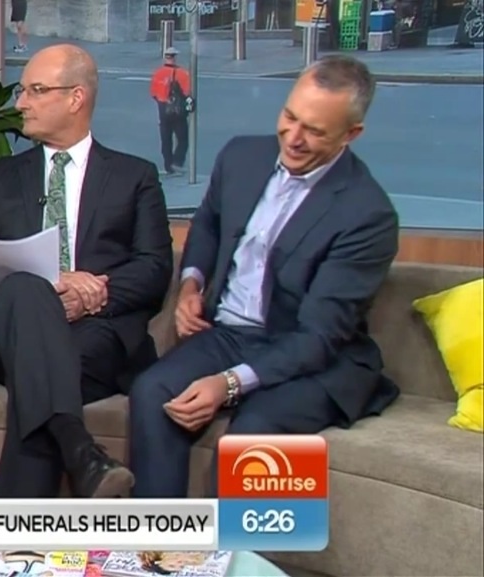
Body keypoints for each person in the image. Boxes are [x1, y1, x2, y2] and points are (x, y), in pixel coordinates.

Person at [128, 55, 401, 498]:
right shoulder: (242, 156)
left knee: (255, 432)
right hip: (229, 334)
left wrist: (228, 384)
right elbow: (209, 221)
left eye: (314, 131)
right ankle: (160, 536)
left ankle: (232, 544)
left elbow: (319, 337)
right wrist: (192, 284)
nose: (293, 138)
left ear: (351, 135)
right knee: (151, 391)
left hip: (315, 356)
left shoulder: (367, 214)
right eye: (290, 117)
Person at [0, 44, 174, 498]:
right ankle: (80, 451)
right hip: (9, 330)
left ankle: (26, 523)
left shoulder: (135, 176)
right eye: (22, 91)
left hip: (97, 334)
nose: (20, 103)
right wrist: (55, 282)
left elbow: (154, 266)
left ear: (75, 98)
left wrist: (94, 294)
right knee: (26, 291)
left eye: (35, 90)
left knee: (42, 378)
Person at [149, 46, 192, 175]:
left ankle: (168, 165)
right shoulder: (183, 74)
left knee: (166, 139)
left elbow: (153, 93)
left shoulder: (157, 73)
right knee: (183, 139)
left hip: (163, 109)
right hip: (178, 112)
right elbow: (187, 93)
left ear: (165, 57)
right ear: (175, 57)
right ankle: (177, 162)